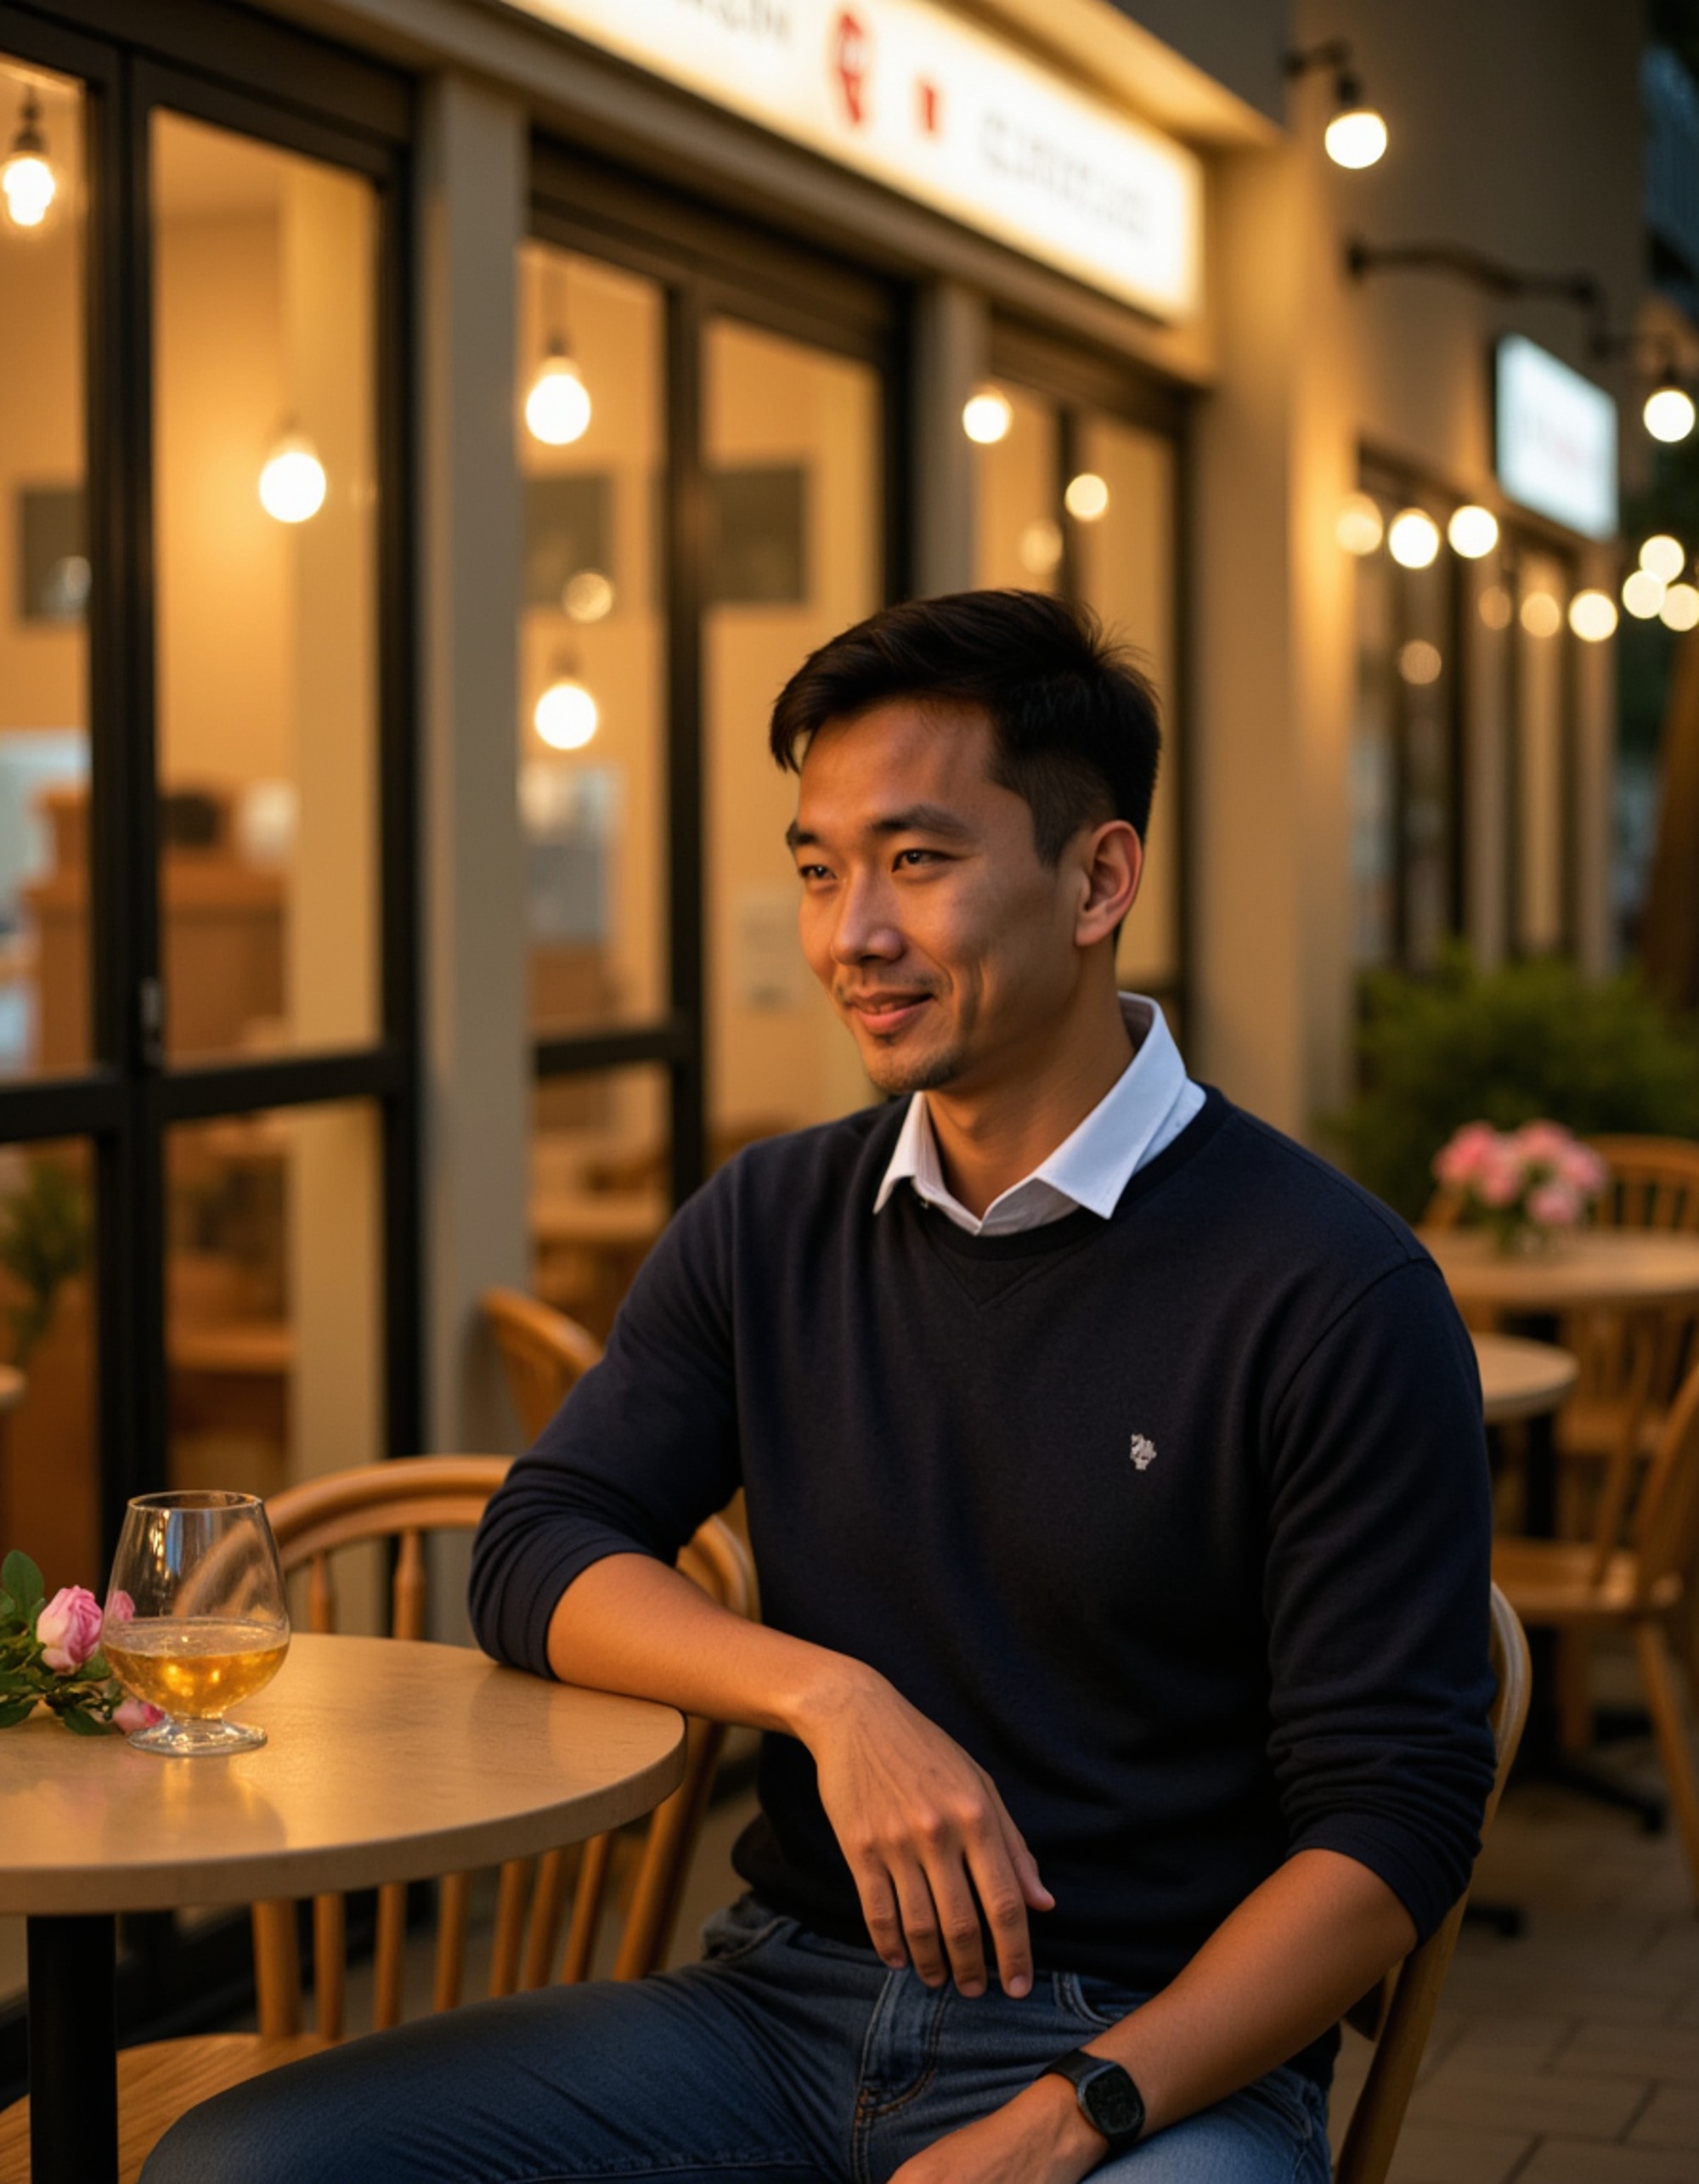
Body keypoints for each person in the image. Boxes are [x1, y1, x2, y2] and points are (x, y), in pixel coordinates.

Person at [144, 590, 1496, 2184]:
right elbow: (537, 1547)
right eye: (818, 867)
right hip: (776, 2013)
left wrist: (1071, 2119)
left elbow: (1392, 1823)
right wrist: (828, 1698)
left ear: (1098, 878)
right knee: (242, 2168)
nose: (850, 933)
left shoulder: (1331, 1289)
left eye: (917, 861)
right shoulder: (770, 1221)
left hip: (1152, 2061)